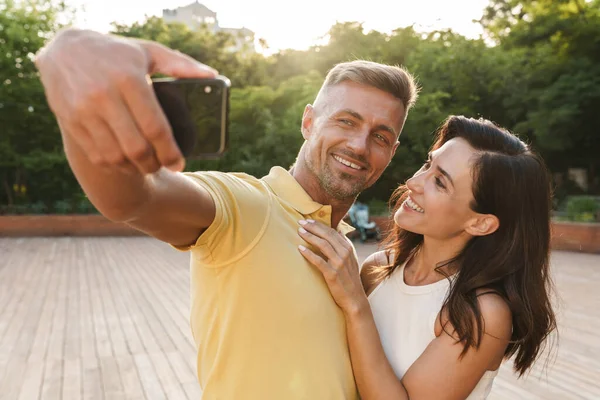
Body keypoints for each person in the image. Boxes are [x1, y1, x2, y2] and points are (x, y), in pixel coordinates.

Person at [35, 28, 419, 399]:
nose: (358, 144)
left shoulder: (347, 253)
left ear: (391, 153)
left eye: (380, 136)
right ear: (308, 122)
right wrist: (71, 66)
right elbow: (133, 199)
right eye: (346, 121)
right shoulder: (248, 206)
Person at [297, 115, 558, 399]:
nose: (413, 182)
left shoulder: (481, 313)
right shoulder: (377, 269)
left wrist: (355, 304)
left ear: (480, 223)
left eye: (440, 182)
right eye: (427, 165)